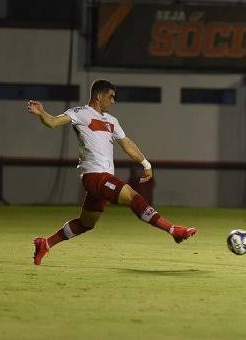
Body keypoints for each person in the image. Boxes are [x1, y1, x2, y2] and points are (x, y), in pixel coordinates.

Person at [27, 80, 196, 265]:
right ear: (99, 96)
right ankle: (174, 231)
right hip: (94, 176)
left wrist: (145, 163)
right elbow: (53, 122)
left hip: (103, 179)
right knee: (133, 196)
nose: (113, 101)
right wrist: (42, 113)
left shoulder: (111, 121)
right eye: (111, 96)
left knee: (86, 224)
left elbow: (126, 143)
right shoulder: (80, 113)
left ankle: (45, 243)